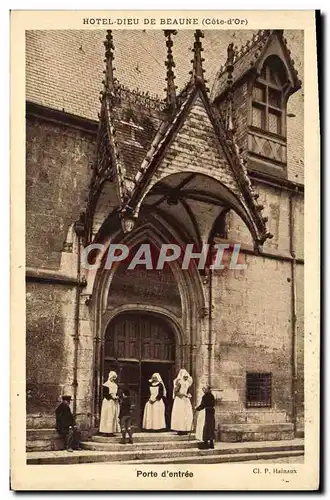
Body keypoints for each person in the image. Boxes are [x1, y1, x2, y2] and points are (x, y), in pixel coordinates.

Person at [171, 369, 193, 435]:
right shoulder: (179, 382)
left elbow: (188, 391)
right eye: (184, 377)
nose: (186, 378)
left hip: (185, 400)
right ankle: (179, 429)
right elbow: (176, 392)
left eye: (187, 376)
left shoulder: (188, 383)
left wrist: (188, 394)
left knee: (186, 414)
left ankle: (185, 429)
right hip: (179, 400)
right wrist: (183, 394)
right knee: (180, 414)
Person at [99, 371, 120, 436]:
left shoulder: (115, 385)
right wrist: (112, 397)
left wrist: (117, 397)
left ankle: (111, 431)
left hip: (113, 402)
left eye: (114, 377)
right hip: (108, 402)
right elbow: (105, 394)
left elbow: (117, 393)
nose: (113, 379)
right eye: (113, 377)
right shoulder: (106, 385)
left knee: (112, 416)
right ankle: (105, 431)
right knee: (107, 416)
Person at [195, 385, 216, 449]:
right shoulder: (212, 396)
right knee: (211, 427)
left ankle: (206, 443)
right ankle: (211, 443)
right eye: (203, 389)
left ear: (208, 389)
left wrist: (197, 408)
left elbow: (203, 405)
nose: (203, 390)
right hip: (211, 411)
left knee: (206, 426)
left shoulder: (205, 396)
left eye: (205, 389)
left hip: (206, 412)